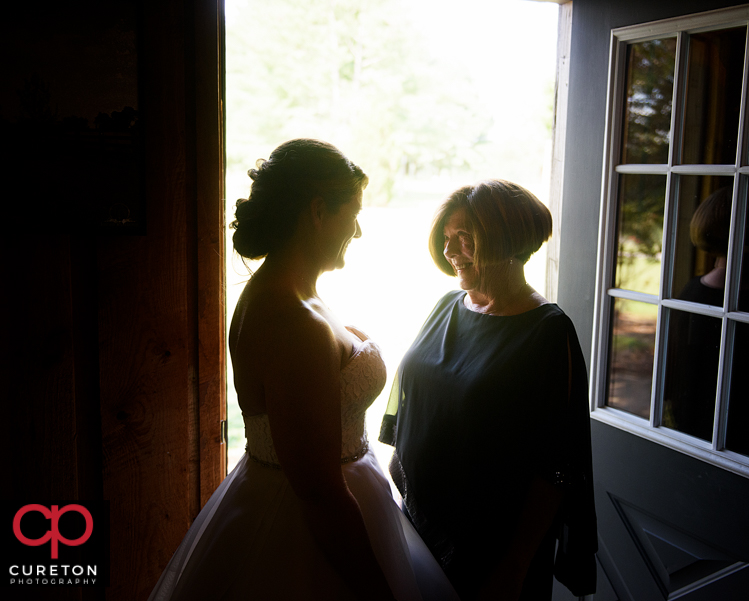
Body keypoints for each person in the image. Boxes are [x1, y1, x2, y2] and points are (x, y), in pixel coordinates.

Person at [148, 139, 459, 601]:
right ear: (318, 211)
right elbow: (318, 492)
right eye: (352, 213)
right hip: (303, 531)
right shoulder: (293, 320)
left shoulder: (290, 293)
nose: (357, 231)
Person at [379, 180, 598, 600]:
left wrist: (514, 565)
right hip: (417, 519)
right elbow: (413, 402)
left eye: (464, 238)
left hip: (491, 545)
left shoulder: (547, 332)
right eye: (446, 238)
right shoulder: (447, 305)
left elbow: (555, 466)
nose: (449, 251)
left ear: (508, 240)